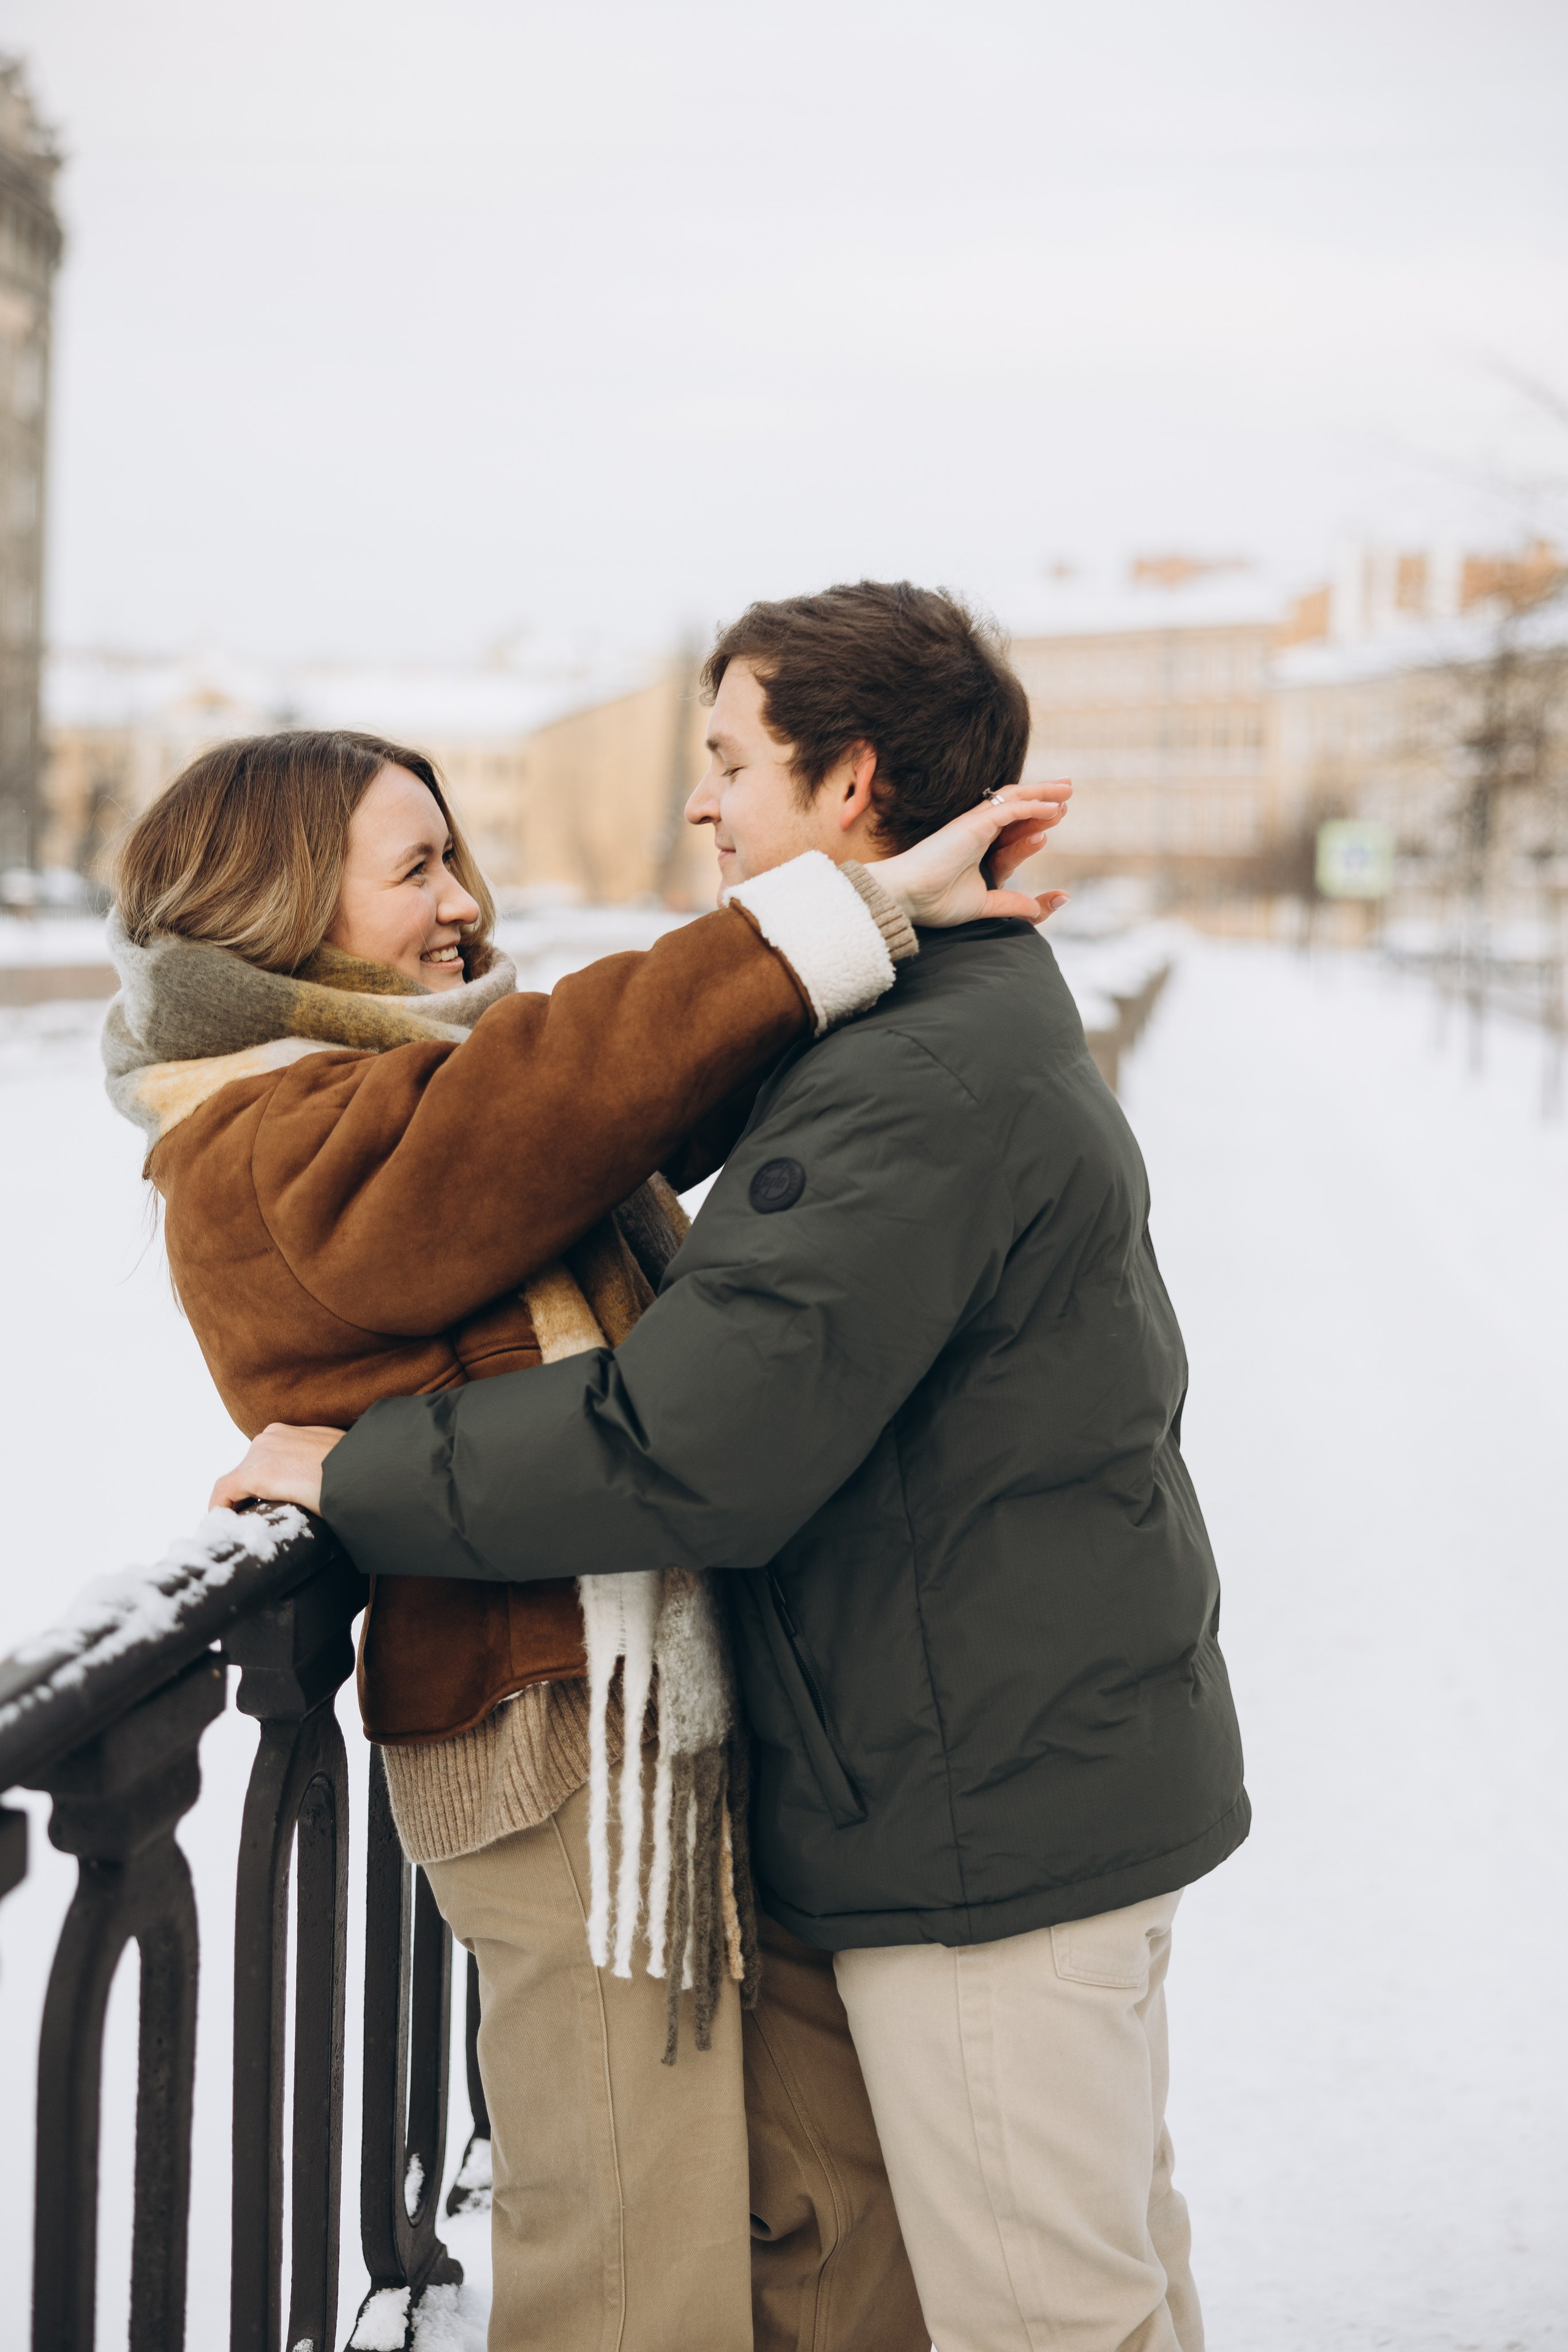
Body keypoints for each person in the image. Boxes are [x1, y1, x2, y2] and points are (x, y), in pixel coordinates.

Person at [221, 581, 1249, 2352]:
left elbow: (683, 1445)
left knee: (1047, 2317)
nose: (700, 803)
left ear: (847, 784)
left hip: (977, 1809)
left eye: (729, 761)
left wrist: (357, 1474)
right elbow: (611, 1095)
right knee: (1102, 2285)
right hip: (1013, 1771)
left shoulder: (910, 1081)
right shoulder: (927, 1018)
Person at [108, 720, 1068, 2352]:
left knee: (826, 2204)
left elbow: (616, 1092)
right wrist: (850, 908)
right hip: (549, 1749)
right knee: (628, 2261)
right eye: (417, 868)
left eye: (458, 856)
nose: (464, 902)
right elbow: (561, 1096)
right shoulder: (260, 1148)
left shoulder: (430, 1084)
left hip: (669, 1716)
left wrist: (893, 926)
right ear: (278, 907)